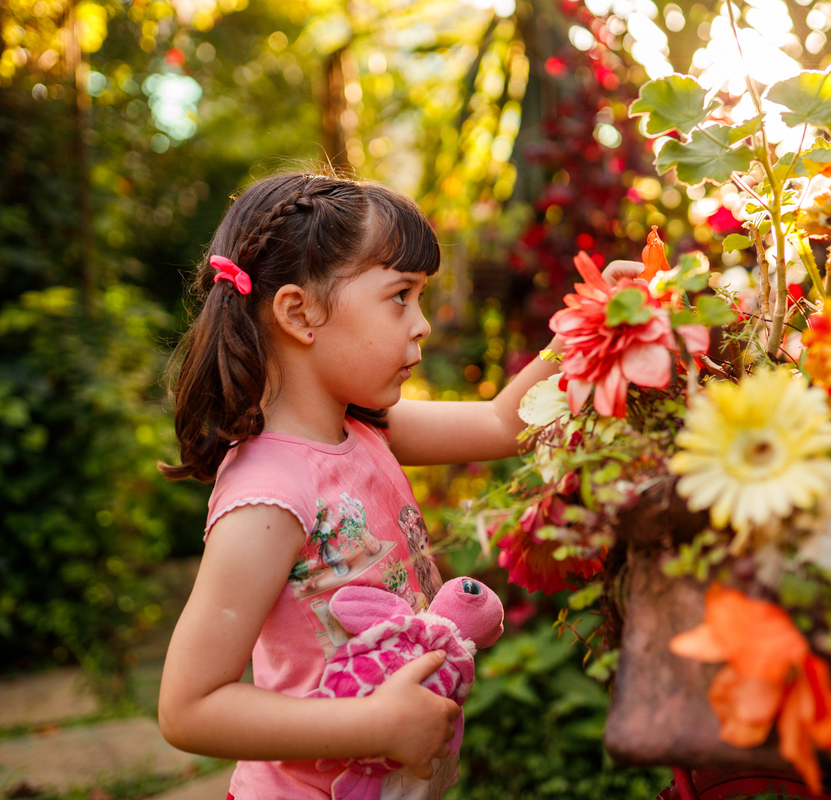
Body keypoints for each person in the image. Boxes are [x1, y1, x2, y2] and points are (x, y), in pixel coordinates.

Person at [156, 171, 639, 800]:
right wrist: (374, 723)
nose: (422, 325)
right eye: (399, 297)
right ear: (300, 313)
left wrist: (591, 324)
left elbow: (503, 422)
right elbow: (190, 706)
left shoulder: (366, 428)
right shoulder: (268, 495)